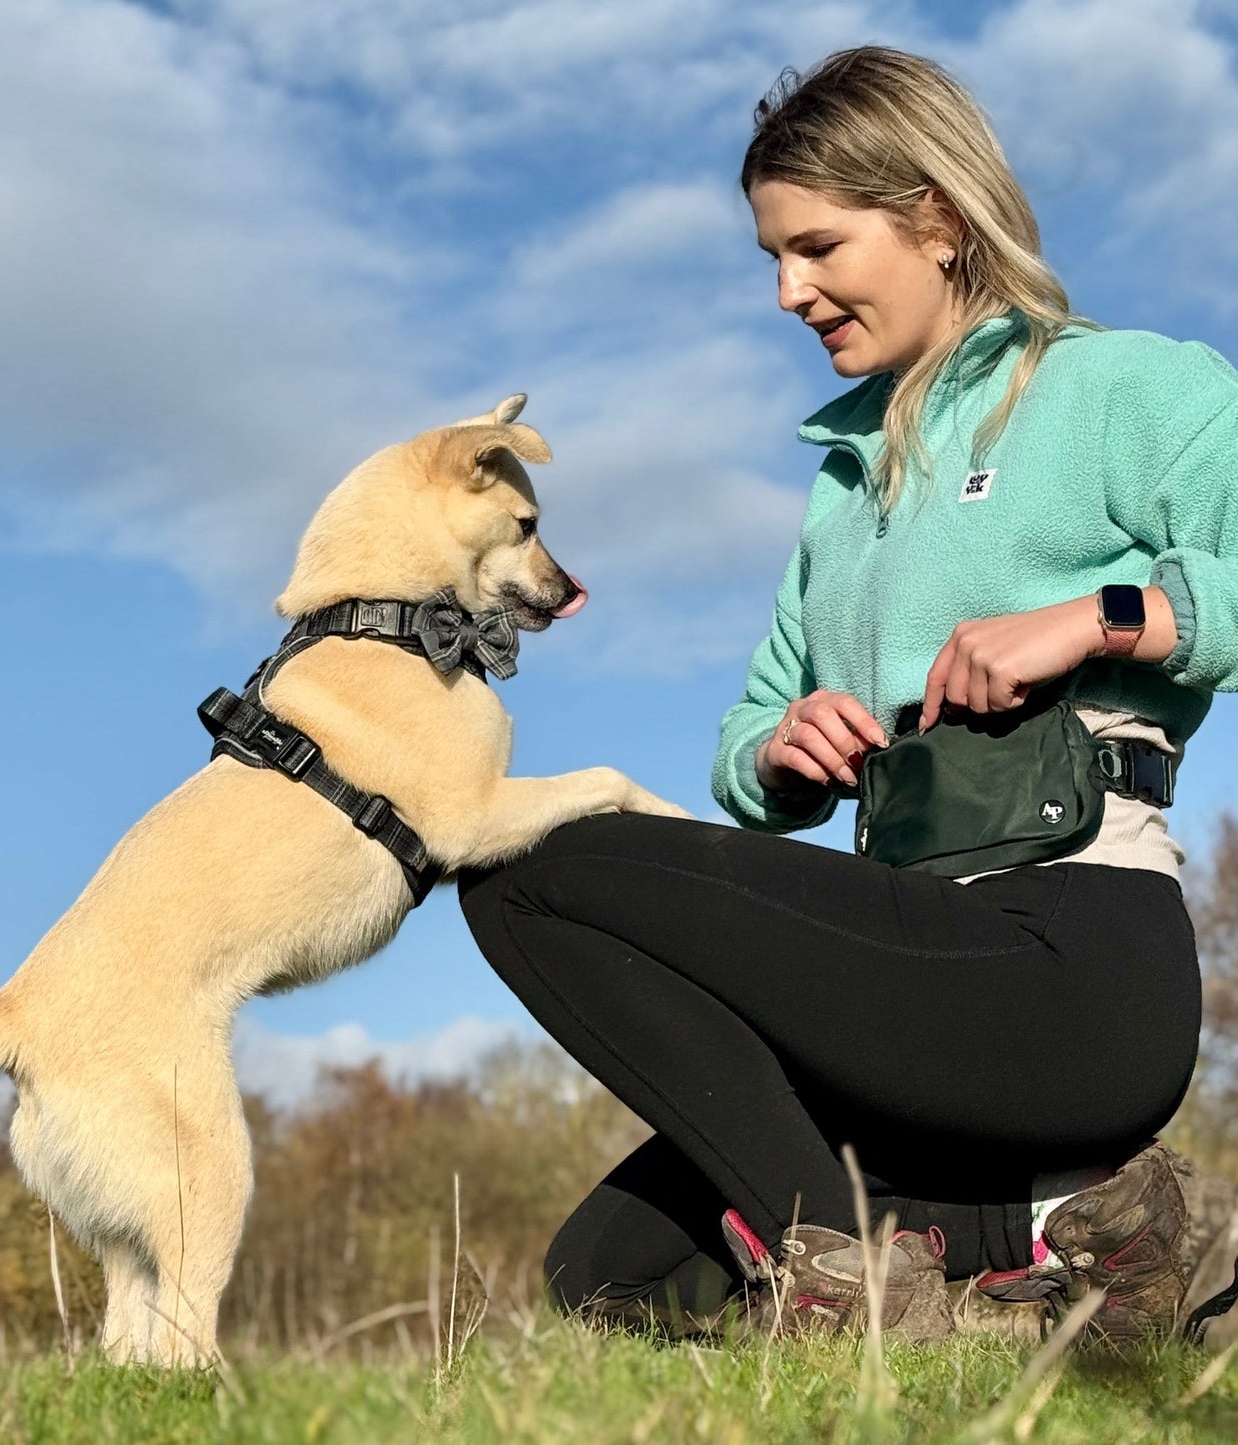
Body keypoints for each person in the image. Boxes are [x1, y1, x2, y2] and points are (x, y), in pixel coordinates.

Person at [458, 45, 1238, 1344]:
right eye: (771, 256)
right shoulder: (842, 493)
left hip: (1066, 955)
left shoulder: (1131, 389)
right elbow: (742, 739)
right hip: (899, 975)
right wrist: (779, 750)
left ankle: (863, 1291)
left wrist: (1098, 616)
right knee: (607, 1273)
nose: (785, 290)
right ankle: (1052, 1258)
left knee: (526, 864)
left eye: (815, 247)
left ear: (934, 218)